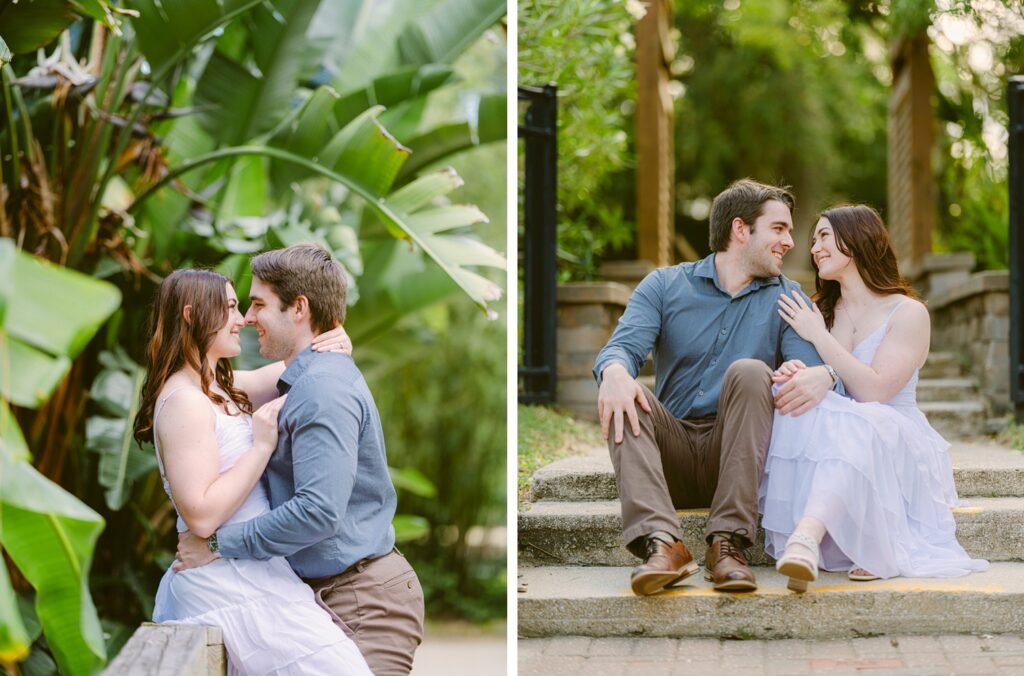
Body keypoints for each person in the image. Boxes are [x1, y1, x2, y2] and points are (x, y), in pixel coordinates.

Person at [174, 244, 425, 675]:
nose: (248, 317)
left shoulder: (321, 389)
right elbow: (209, 388)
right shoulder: (301, 379)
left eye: (258, 304)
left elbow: (317, 512)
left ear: (299, 308)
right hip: (321, 595)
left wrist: (217, 545)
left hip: (363, 598)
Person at [594, 179, 845, 595]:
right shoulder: (664, 285)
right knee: (622, 389)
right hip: (669, 454)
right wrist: (615, 372)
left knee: (749, 371)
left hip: (741, 456)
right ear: (740, 229)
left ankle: (728, 544)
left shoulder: (789, 298)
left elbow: (813, 379)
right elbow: (621, 347)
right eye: (779, 228)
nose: (789, 241)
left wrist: (812, 374)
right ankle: (663, 544)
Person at [134, 268, 371, 674]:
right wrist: (261, 447)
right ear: (191, 315)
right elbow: (201, 515)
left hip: (254, 572)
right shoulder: (185, 401)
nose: (241, 319)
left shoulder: (219, 388)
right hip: (225, 581)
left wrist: (334, 341)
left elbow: (297, 365)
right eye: (229, 307)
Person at [761, 204, 988, 592]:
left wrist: (819, 339)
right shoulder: (822, 312)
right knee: (794, 397)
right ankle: (815, 540)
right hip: (841, 430)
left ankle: (808, 537)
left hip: (892, 432)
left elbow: (876, 392)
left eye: (823, 236)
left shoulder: (908, 312)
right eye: (813, 240)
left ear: (857, 239)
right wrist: (794, 372)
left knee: (866, 420)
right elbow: (820, 379)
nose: (813, 248)